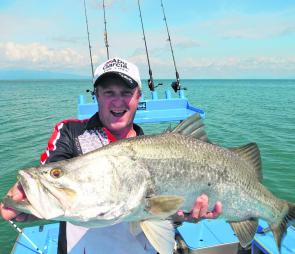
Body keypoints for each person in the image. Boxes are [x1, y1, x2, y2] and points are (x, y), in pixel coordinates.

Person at [0, 57, 222, 254]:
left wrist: (179, 216)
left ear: (138, 97)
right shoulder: (72, 133)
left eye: (126, 92)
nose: (118, 101)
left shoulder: (154, 149)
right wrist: (32, 203)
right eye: (108, 93)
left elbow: (161, 213)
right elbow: (56, 169)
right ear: (96, 95)